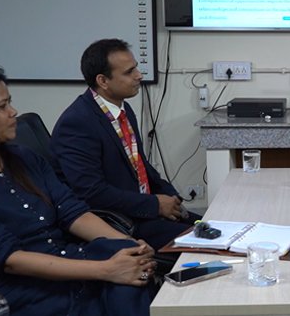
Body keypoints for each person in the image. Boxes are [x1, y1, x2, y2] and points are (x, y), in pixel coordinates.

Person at [0, 63, 154, 316]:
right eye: (2, 107)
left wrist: (131, 247)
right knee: (123, 289)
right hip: (7, 289)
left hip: (62, 265)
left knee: (131, 264)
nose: (13, 112)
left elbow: (72, 212)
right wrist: (107, 270)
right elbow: (9, 259)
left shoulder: (24, 158)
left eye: (9, 102)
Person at [50, 39, 198, 251]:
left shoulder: (123, 109)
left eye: (136, 67)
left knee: (215, 228)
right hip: (121, 222)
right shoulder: (77, 123)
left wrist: (170, 196)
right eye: (129, 72)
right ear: (103, 81)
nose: (139, 75)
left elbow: (140, 164)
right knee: (206, 245)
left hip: (143, 209)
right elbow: (92, 193)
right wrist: (155, 205)